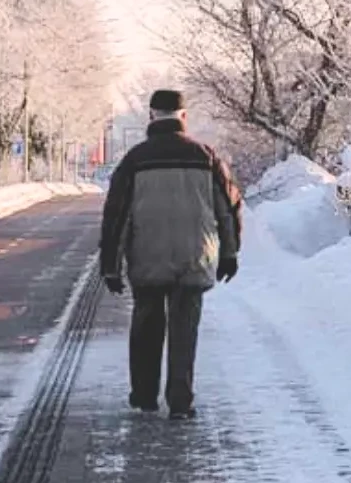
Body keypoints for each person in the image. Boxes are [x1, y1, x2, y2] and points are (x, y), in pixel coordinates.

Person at [99, 89, 243, 420]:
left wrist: (111, 266)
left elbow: (116, 216)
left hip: (147, 259)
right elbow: (229, 209)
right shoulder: (206, 157)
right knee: (184, 332)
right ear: (184, 117)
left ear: (150, 116)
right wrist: (229, 254)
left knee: (146, 326)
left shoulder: (135, 160)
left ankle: (145, 396)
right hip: (194, 259)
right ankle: (181, 402)